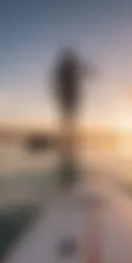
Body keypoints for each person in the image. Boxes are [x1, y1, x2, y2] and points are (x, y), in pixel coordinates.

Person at [52, 48, 87, 185]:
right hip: (68, 98)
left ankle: (69, 144)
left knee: (70, 121)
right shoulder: (66, 68)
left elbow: (83, 72)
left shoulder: (69, 67)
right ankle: (67, 144)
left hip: (70, 98)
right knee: (68, 121)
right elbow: (59, 83)